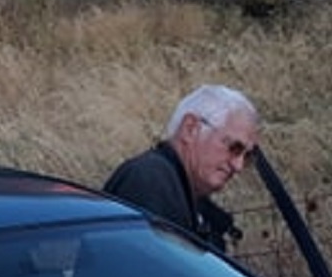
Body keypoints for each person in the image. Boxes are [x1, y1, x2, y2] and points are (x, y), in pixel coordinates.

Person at [103, 84, 260, 252]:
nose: (238, 166)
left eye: (247, 156)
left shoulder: (181, 192)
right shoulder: (149, 181)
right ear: (190, 129)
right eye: (234, 148)